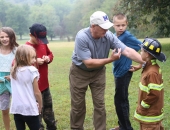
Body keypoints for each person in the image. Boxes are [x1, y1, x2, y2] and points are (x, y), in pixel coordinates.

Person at [69, 11, 145, 130]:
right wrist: (110, 59)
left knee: (100, 105)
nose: (106, 30)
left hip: (98, 73)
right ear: (93, 26)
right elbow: (88, 63)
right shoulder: (82, 37)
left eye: (107, 27)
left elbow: (127, 51)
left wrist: (145, 62)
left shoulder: (108, 35)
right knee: (78, 106)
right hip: (80, 72)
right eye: (103, 27)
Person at [110, 13, 142, 130]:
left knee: (120, 100)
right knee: (121, 99)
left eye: (123, 25)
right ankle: (123, 125)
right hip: (117, 72)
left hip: (124, 72)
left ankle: (126, 128)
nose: (121, 28)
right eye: (118, 25)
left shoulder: (127, 36)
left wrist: (139, 65)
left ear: (126, 24)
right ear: (113, 25)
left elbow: (143, 47)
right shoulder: (114, 36)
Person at [26, 23, 57, 130]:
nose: (40, 42)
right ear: (31, 35)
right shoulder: (26, 49)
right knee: (36, 112)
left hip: (45, 85)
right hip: (33, 88)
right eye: (38, 39)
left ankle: (52, 127)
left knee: (48, 109)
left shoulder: (43, 44)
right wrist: (35, 62)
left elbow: (50, 54)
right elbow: (19, 66)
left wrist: (48, 58)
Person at [134, 37, 166, 130]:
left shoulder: (152, 72)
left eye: (141, 51)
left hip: (150, 116)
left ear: (147, 54)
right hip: (149, 115)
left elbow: (155, 93)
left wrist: (144, 105)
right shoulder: (150, 67)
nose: (140, 52)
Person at [10, 44, 42, 130]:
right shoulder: (32, 71)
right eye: (32, 57)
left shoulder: (13, 70)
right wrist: (40, 105)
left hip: (17, 108)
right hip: (30, 109)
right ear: (22, 57)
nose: (35, 60)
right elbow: (37, 92)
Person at [0, 27, 19, 130]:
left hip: (15, 82)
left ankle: (20, 127)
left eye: (7, 36)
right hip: (1, 84)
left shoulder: (16, 50)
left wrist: (12, 76)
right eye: (2, 37)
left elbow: (21, 67)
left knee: (18, 108)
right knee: (4, 109)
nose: (4, 39)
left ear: (12, 37)